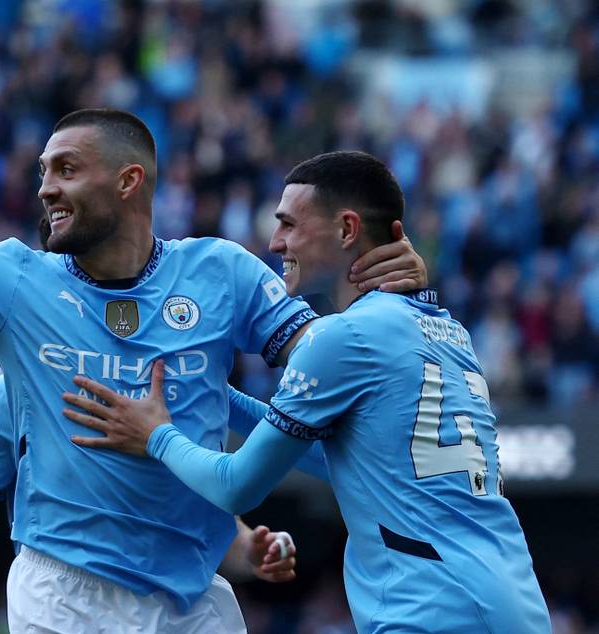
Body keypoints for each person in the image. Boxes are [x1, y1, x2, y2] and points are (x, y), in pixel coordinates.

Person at [0, 50, 426, 632]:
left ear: (128, 181)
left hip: (195, 598)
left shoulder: (221, 272)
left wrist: (389, 296)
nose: (45, 189)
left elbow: (340, 363)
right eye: (43, 172)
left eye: (66, 170)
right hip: (66, 595)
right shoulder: (12, 279)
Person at [63, 152, 552, 633]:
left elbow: (236, 485)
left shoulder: (343, 337)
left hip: (431, 606)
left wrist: (157, 435)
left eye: (289, 224)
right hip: (514, 594)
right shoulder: (451, 331)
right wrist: (210, 392)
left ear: (346, 229)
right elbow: (347, 459)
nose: (275, 242)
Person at [0, 219, 301, 631]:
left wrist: (247, 546)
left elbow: (191, 512)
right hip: (68, 602)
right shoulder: (6, 400)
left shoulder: (172, 375)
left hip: (189, 603)